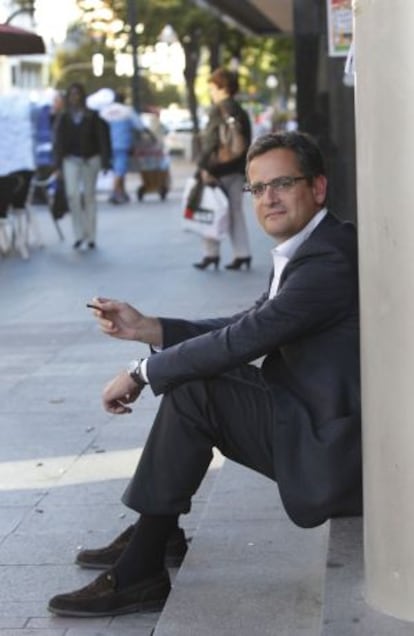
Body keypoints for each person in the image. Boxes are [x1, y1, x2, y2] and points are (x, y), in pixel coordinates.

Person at [48, 131, 362, 618]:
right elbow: (245, 324)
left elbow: (242, 340)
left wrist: (142, 371)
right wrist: (149, 328)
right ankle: (158, 532)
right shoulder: (313, 247)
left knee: (196, 389)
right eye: (257, 189)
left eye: (282, 184)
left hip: (332, 449)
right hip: (311, 415)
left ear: (317, 188)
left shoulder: (327, 262)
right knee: (197, 382)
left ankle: (142, 567)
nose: (268, 199)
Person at [193, 67, 252, 271]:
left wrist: (202, 166)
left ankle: (211, 253)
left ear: (221, 88)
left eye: (212, 87)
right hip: (237, 169)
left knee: (210, 208)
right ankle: (242, 253)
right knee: (236, 212)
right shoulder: (241, 111)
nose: (211, 92)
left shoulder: (217, 110)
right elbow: (247, 142)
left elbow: (210, 142)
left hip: (217, 170)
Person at [53, 82, 112, 250]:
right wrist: (57, 165)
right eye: (72, 94)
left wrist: (105, 162)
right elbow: (58, 142)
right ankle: (79, 234)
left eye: (77, 94)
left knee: (89, 196)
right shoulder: (64, 117)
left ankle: (91, 235)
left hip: (90, 159)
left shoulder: (92, 116)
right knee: (72, 195)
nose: (75, 98)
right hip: (70, 159)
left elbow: (102, 140)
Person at [100, 91, 144, 204]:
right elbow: (139, 126)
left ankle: (122, 192)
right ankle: (115, 192)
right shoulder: (127, 111)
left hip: (107, 145)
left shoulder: (104, 111)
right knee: (120, 169)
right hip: (122, 144)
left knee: (117, 169)